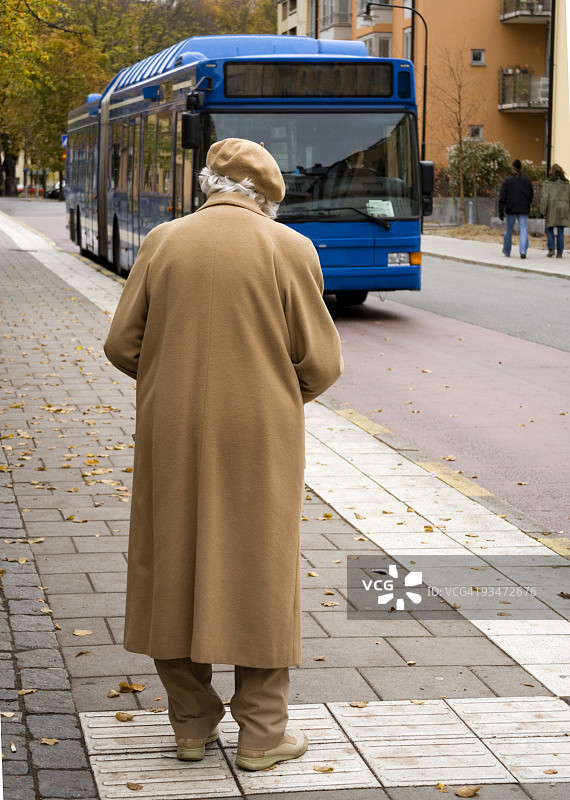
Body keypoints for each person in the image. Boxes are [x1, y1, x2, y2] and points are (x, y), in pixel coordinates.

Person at [103, 138, 343, 772]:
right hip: (261, 434)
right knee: (259, 568)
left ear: (210, 184)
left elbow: (121, 344)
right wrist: (276, 393)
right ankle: (263, 734)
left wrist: (168, 379)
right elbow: (321, 363)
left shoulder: (163, 242)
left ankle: (190, 724)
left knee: (171, 561)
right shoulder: (290, 249)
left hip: (171, 427)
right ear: (266, 197)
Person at [498, 158, 534, 259]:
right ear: (520, 169)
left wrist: (500, 210)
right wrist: (527, 203)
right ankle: (523, 251)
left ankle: (507, 250)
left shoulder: (508, 181)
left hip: (511, 209)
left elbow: (502, 196)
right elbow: (531, 195)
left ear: (513, 168)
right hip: (523, 209)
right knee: (523, 229)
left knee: (509, 230)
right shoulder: (527, 181)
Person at [540, 163, 570, 258]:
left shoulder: (548, 183)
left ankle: (551, 249)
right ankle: (560, 252)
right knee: (560, 230)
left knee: (550, 228)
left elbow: (545, 198)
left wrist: (543, 211)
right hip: (564, 207)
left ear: (551, 172)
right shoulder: (566, 183)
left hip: (552, 207)